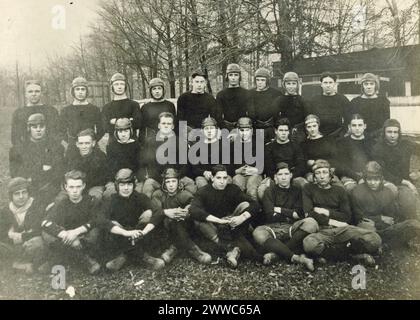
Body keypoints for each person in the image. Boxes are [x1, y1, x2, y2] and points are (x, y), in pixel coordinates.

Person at [301, 160, 382, 265]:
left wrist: (326, 212)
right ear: (314, 177)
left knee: (375, 239)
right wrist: (333, 222)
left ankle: (329, 253)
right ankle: (352, 255)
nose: (321, 176)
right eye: (318, 173)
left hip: (342, 229)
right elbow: (309, 213)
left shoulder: (340, 190)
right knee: (309, 243)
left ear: (330, 175)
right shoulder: (308, 188)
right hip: (322, 231)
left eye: (324, 172)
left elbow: (346, 216)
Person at [190, 165, 262, 268]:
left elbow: (255, 204)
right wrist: (218, 221)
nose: (222, 181)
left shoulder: (232, 189)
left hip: (230, 222)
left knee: (245, 205)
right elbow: (193, 209)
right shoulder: (204, 191)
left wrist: (241, 218)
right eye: (218, 178)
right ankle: (230, 249)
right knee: (198, 220)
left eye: (225, 178)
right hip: (213, 224)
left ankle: (232, 248)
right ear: (212, 178)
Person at [252, 163, 317, 271]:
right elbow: (269, 215)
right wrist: (290, 214)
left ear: (291, 175)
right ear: (275, 177)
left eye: (286, 174)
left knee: (311, 223)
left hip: (292, 227)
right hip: (273, 227)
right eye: (280, 174)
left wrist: (279, 210)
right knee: (257, 233)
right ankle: (296, 257)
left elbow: (298, 214)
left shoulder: (297, 190)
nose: (283, 177)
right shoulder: (269, 191)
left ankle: (276, 253)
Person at [100, 169, 165, 271]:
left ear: (134, 185)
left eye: (129, 184)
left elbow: (158, 211)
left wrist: (144, 231)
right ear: (117, 186)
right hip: (121, 236)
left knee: (149, 213)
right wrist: (125, 232)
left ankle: (124, 256)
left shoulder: (139, 197)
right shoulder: (111, 200)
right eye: (122, 185)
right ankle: (142, 257)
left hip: (138, 234)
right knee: (112, 223)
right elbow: (100, 219)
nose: (126, 188)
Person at [41, 170, 102, 275]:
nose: (75, 191)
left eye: (78, 187)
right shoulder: (62, 203)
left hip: (84, 239)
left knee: (95, 230)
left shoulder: (91, 201)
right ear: (65, 187)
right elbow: (45, 222)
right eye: (71, 187)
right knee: (46, 232)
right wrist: (65, 235)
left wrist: (76, 233)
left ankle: (56, 261)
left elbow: (97, 220)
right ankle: (85, 260)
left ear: (84, 186)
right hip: (67, 239)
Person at [351, 161, 420, 248]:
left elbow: (391, 216)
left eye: (376, 179)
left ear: (381, 179)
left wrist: (386, 222)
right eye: (369, 179)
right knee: (367, 229)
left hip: (383, 226)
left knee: (414, 224)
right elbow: (357, 217)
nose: (372, 183)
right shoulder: (357, 192)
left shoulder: (387, 192)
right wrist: (379, 218)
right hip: (368, 226)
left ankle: (384, 243)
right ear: (364, 179)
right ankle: (382, 243)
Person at [152, 168, 212, 264]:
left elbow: (194, 204)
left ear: (178, 182)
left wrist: (186, 210)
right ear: (164, 183)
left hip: (184, 226)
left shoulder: (184, 194)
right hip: (166, 227)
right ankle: (192, 249)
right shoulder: (158, 195)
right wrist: (167, 212)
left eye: (173, 181)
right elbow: (156, 211)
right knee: (173, 221)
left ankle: (176, 249)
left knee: (179, 221)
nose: (171, 185)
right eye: (168, 182)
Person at [138, 112, 196, 198]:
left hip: (178, 177)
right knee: (147, 187)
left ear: (172, 126)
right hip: (158, 178)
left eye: (169, 124)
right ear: (159, 125)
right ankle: (149, 210)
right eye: (163, 123)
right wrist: (162, 179)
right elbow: (150, 165)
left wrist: (176, 178)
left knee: (192, 186)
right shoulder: (151, 142)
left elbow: (186, 165)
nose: (166, 126)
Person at [9, 113, 64, 204]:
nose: (38, 130)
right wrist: (42, 169)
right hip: (27, 189)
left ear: (46, 128)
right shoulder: (17, 149)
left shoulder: (56, 147)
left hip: (50, 189)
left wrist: (32, 174)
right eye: (34, 127)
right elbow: (16, 173)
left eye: (41, 126)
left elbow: (58, 172)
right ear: (29, 128)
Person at [371, 119, 420, 220]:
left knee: (408, 201)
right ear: (384, 132)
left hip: (403, 183)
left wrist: (418, 172)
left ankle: (413, 227)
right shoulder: (378, 148)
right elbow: (382, 172)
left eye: (395, 132)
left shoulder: (406, 144)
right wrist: (406, 182)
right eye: (389, 132)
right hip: (385, 181)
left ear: (399, 133)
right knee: (389, 202)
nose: (392, 135)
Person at [0, 178, 46, 273]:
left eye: (24, 192)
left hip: (29, 244)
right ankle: (18, 265)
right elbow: (2, 233)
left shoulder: (36, 206)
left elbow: (39, 229)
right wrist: (11, 238)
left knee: (38, 243)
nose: (21, 196)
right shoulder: (6, 210)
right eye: (17, 194)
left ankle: (22, 264)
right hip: (12, 246)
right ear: (11, 196)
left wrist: (21, 236)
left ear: (28, 193)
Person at [261, 117, 306, 199]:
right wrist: (278, 177)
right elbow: (268, 167)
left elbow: (301, 165)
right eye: (281, 130)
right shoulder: (269, 147)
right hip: (274, 177)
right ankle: (269, 210)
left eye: (286, 130)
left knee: (303, 185)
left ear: (289, 132)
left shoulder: (296, 146)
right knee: (262, 190)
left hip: (293, 176)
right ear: (275, 131)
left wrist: (290, 176)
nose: (283, 133)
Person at [60, 77, 104, 152]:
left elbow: (101, 130)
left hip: (91, 148)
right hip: (73, 148)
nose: (80, 92)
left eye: (83, 89)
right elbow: (61, 130)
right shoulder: (66, 110)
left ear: (87, 91)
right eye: (77, 89)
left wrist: (92, 141)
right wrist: (72, 142)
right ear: (73, 91)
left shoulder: (94, 109)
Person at [11, 80, 60, 147]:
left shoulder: (51, 111)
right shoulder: (18, 113)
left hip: (48, 152)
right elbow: (15, 138)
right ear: (25, 94)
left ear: (41, 93)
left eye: (37, 91)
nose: (34, 94)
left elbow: (57, 135)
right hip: (27, 152)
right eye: (30, 91)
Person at [64, 129, 108, 200]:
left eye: (87, 143)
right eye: (81, 143)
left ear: (93, 143)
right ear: (77, 144)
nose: (84, 147)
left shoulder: (100, 156)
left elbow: (103, 178)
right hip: (75, 185)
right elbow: (67, 174)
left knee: (94, 197)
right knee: (61, 198)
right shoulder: (73, 156)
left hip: (94, 186)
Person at [189, 117, 233, 189]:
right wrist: (204, 172)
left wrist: (219, 173)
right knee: (201, 183)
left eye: (212, 128)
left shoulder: (225, 145)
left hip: (221, 174)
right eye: (206, 129)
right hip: (204, 176)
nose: (209, 131)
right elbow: (194, 168)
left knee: (227, 181)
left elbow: (230, 165)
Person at [300, 114, 342, 186]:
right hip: (312, 172)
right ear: (306, 128)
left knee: (338, 186)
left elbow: (335, 158)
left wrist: (327, 167)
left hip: (328, 170)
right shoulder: (304, 144)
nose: (312, 129)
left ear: (318, 125)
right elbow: (303, 162)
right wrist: (308, 163)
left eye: (314, 126)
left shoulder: (329, 140)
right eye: (309, 127)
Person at [104, 118, 141, 198]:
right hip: (116, 179)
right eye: (120, 132)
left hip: (132, 179)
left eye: (126, 131)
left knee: (138, 194)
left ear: (130, 131)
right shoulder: (112, 146)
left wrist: (135, 178)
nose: (123, 134)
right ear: (116, 133)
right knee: (109, 194)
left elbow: (139, 165)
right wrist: (115, 179)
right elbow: (110, 166)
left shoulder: (136, 145)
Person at [336, 114, 374, 192]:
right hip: (349, 175)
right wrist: (357, 178)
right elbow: (342, 166)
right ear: (349, 127)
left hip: (369, 174)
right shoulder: (342, 142)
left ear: (365, 126)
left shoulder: (371, 142)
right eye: (354, 125)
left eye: (360, 125)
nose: (357, 128)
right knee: (352, 189)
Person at [306, 71, 351, 137]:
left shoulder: (342, 99)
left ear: (335, 84)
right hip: (319, 136)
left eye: (330, 82)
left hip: (337, 136)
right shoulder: (314, 100)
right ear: (321, 84)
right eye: (325, 83)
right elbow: (310, 119)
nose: (328, 85)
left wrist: (342, 133)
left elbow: (348, 119)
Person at [101, 73, 142, 143]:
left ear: (125, 86)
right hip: (113, 145)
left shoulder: (134, 104)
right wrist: (129, 120)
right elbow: (105, 127)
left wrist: (114, 121)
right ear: (112, 87)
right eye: (116, 84)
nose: (119, 87)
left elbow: (138, 123)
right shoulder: (107, 107)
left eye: (122, 84)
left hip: (132, 144)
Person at [349, 73, 390, 140]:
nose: (369, 86)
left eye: (371, 84)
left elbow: (386, 122)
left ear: (375, 86)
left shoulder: (383, 101)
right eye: (366, 84)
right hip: (360, 137)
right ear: (362, 86)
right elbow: (352, 122)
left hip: (378, 138)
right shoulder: (355, 102)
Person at [230, 117, 263, 201]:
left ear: (251, 130)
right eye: (241, 130)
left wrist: (255, 170)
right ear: (237, 131)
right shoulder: (232, 145)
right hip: (239, 174)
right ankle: (240, 210)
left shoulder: (258, 144)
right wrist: (237, 171)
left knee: (252, 188)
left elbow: (265, 165)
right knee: (237, 184)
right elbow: (228, 166)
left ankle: (254, 211)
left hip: (255, 174)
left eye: (247, 130)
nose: (244, 133)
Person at [247, 67, 282, 141]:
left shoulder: (276, 93)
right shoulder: (250, 93)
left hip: (271, 128)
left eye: (263, 80)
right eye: (257, 80)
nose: (259, 82)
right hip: (256, 128)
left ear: (267, 81)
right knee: (259, 151)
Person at [272, 72, 307, 143]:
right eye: (288, 84)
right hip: (283, 133)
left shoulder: (302, 100)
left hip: (299, 133)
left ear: (297, 85)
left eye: (294, 83)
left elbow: (306, 117)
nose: (291, 86)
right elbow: (275, 118)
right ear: (284, 85)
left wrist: (298, 127)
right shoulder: (279, 100)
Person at [140, 78, 176, 142]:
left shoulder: (170, 105)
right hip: (151, 141)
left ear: (163, 90)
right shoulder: (145, 107)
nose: (157, 91)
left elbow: (174, 125)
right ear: (151, 91)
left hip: (167, 140)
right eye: (154, 89)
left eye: (159, 88)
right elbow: (142, 129)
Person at [216, 64, 249, 131]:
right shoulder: (221, 94)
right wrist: (224, 128)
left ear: (239, 76)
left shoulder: (246, 93)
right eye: (231, 75)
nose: (233, 78)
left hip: (243, 128)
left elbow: (251, 113)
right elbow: (218, 116)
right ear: (227, 76)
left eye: (236, 75)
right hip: (226, 128)